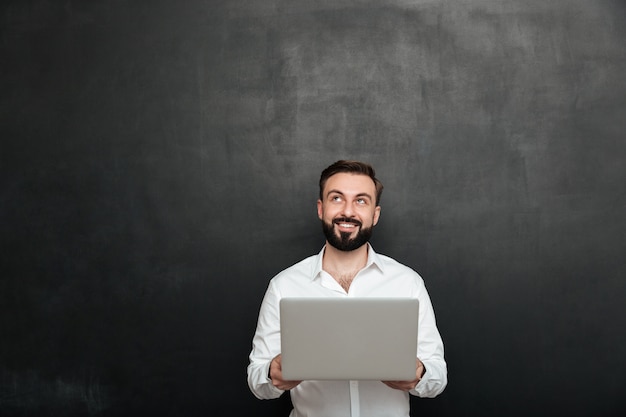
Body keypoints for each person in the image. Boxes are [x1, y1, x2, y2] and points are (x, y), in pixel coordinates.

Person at [247, 160, 447, 417]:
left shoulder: (407, 283)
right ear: (321, 208)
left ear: (375, 214)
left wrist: (419, 374)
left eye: (361, 201)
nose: (348, 211)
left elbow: (438, 377)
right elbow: (257, 381)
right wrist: (271, 374)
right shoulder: (283, 286)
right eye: (337, 198)